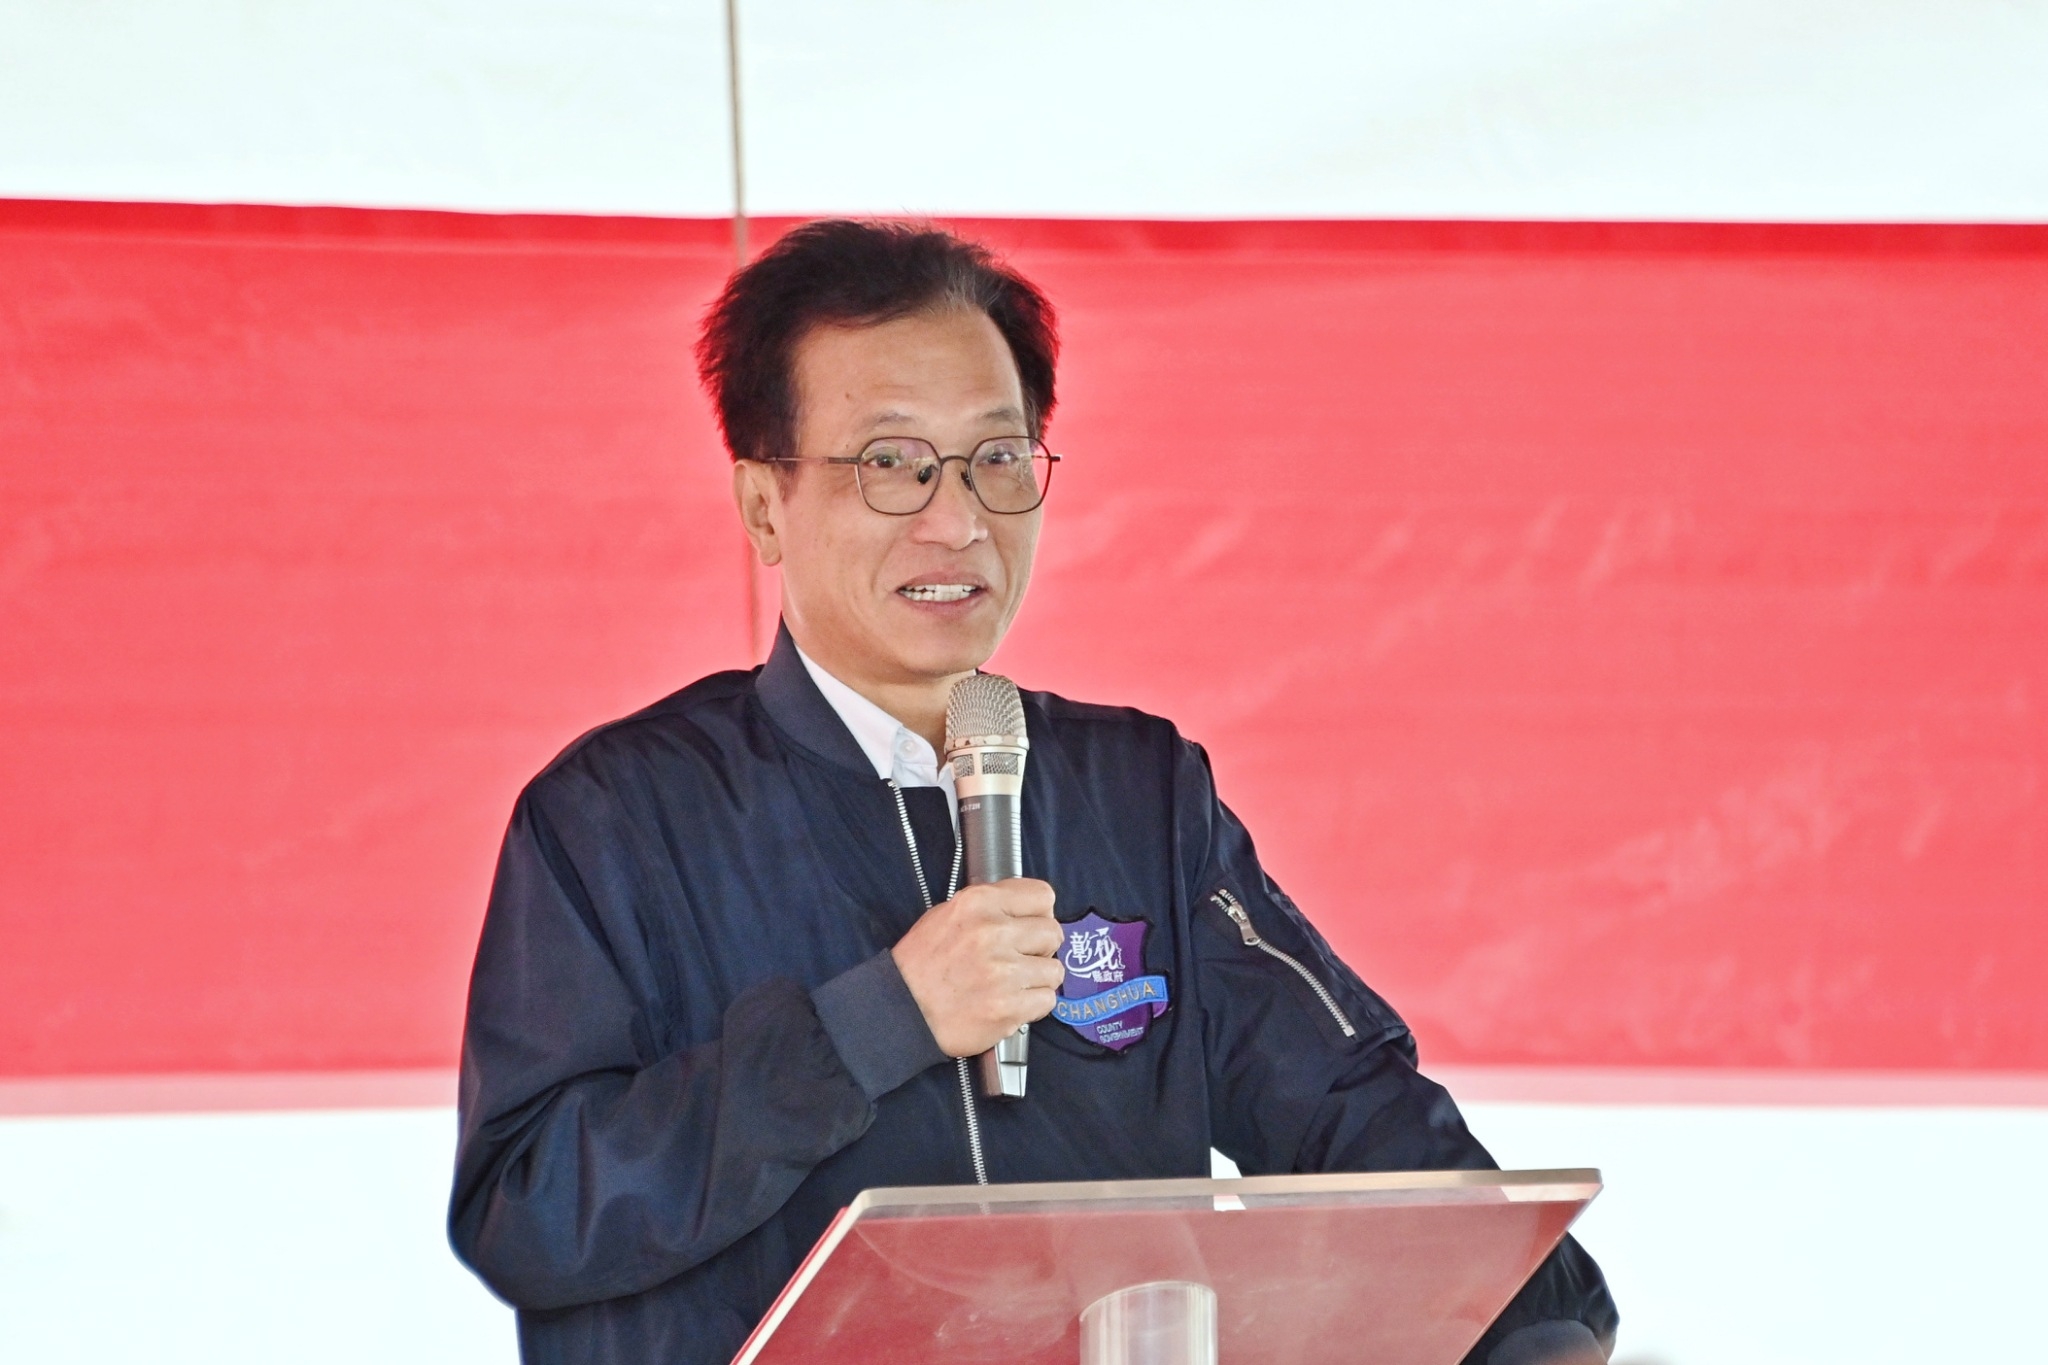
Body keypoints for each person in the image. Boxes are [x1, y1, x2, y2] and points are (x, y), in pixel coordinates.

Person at [448, 220, 1618, 1365]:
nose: (956, 520)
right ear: (765, 505)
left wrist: (1535, 1326)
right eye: (891, 464)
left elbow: (1347, 1111)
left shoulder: (1137, 792)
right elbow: (529, 1207)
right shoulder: (618, 816)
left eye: (997, 459)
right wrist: (876, 1025)